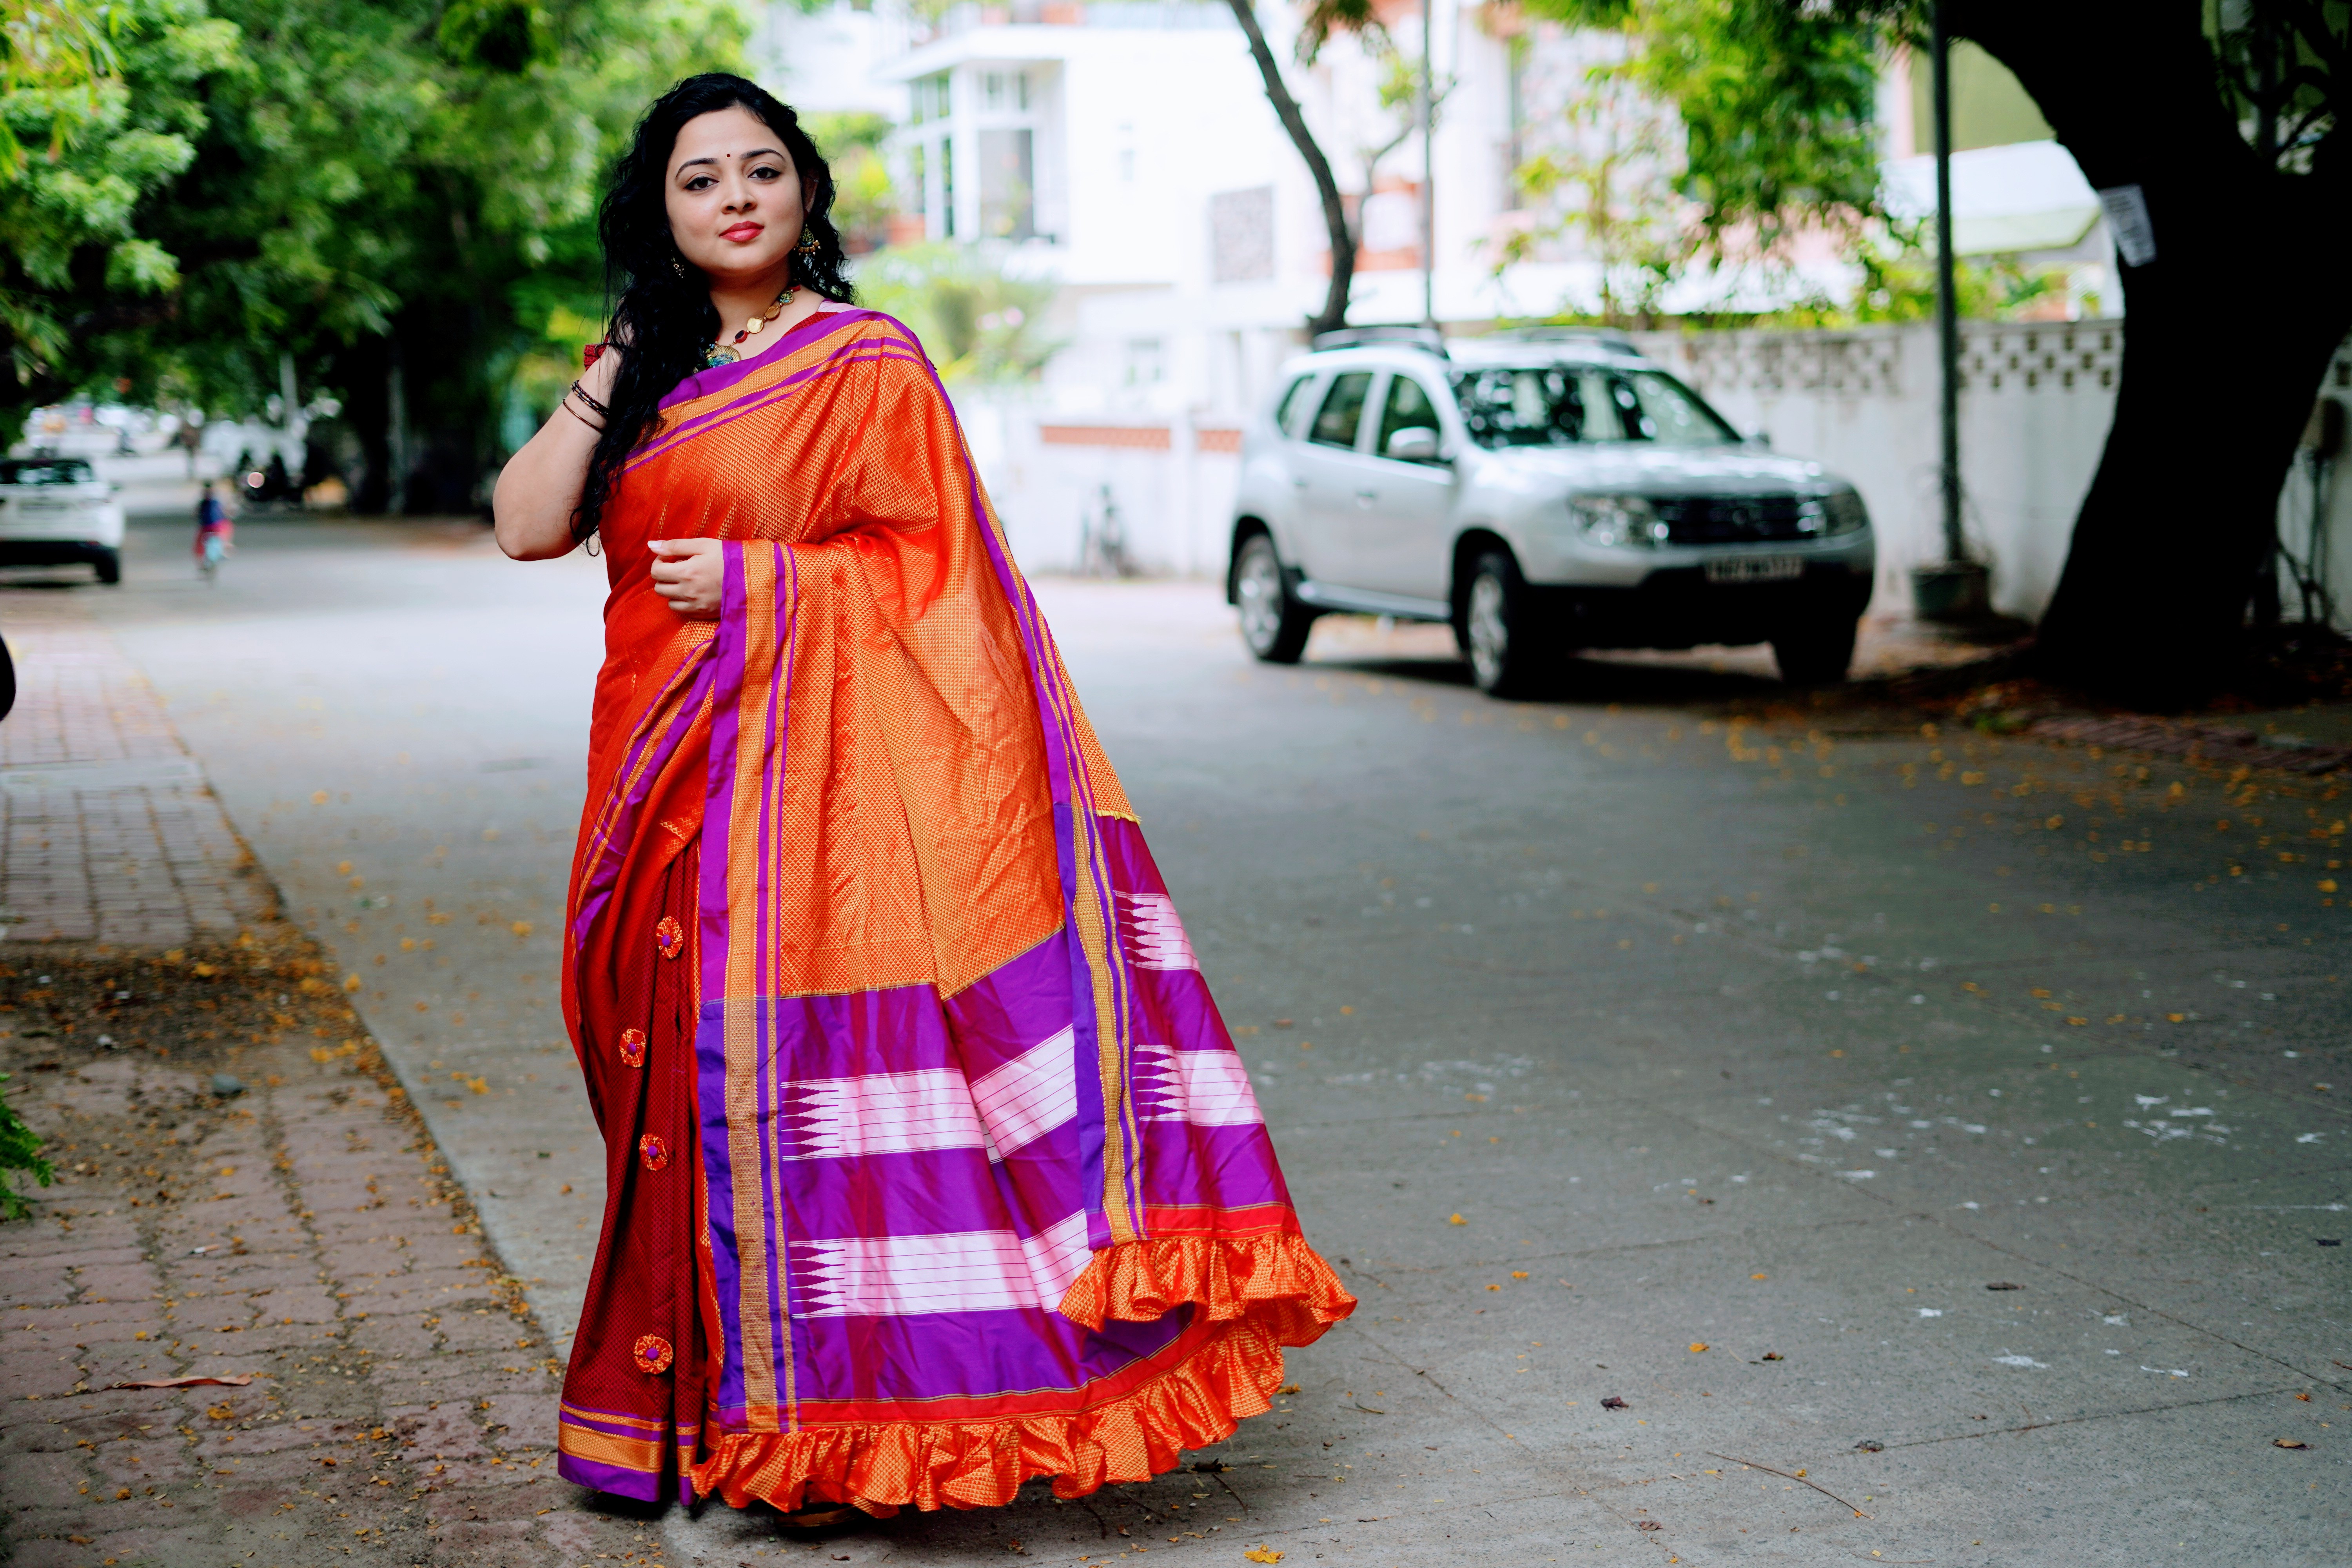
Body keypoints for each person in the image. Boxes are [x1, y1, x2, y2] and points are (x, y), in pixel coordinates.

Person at [492, 75, 1352, 1524]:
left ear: (809, 194)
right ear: (660, 212)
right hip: (659, 791)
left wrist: (772, 585)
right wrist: (614, 360)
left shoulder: (865, 361)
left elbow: (943, 584)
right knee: (663, 1084)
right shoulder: (647, 372)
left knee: (783, 1098)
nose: (737, 197)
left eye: (763, 169)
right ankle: (689, 1405)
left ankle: (831, 1429)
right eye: (699, 180)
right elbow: (526, 524)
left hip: (815, 828)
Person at [194, 479, 234, 578]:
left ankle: (203, 564)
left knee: (199, 546)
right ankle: (225, 548)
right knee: (226, 531)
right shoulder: (214, 503)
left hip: (210, 528)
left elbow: (196, 514)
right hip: (213, 527)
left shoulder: (206, 503)